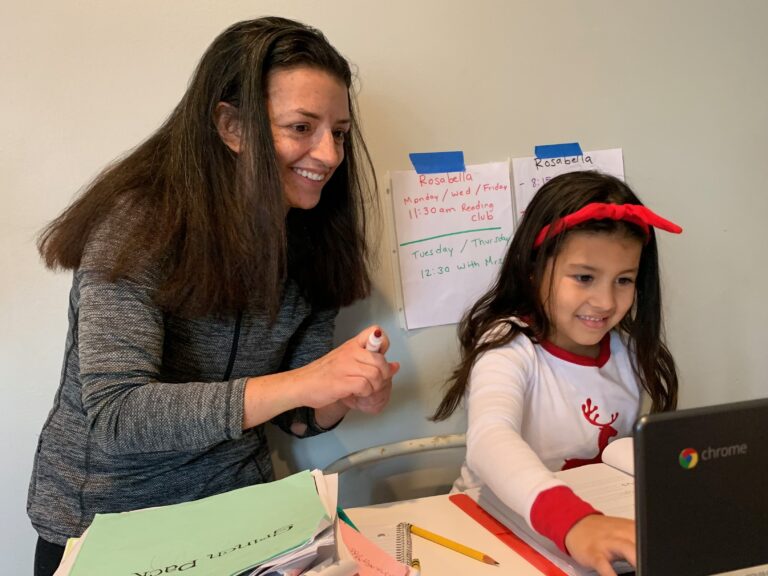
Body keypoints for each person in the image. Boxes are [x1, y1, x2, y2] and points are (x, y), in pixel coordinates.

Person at [28, 17, 399, 576]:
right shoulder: (135, 225)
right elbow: (117, 416)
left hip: (245, 519)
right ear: (232, 126)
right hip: (107, 529)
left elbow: (295, 416)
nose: (328, 154)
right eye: (302, 127)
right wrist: (308, 380)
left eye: (340, 132)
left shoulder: (313, 238)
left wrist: (342, 391)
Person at [433, 171, 681, 576]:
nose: (604, 301)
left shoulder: (628, 351)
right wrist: (574, 522)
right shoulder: (508, 345)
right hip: (492, 537)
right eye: (584, 277)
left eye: (624, 280)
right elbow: (490, 439)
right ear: (534, 270)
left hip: (581, 538)